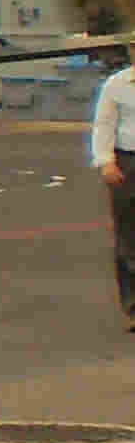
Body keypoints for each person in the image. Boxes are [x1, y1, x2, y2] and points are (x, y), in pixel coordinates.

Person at [93, 55, 135, 332]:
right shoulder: (117, 84)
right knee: (129, 236)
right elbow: (104, 124)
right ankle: (134, 308)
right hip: (127, 162)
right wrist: (106, 161)